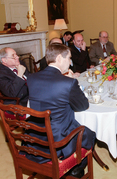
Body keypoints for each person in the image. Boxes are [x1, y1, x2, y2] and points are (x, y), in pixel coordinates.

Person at [24, 43, 96, 178]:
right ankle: (76, 168)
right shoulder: (68, 83)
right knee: (90, 133)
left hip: (35, 136)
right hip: (59, 140)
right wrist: (71, 83)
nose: (70, 62)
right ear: (58, 58)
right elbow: (82, 106)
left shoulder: (32, 78)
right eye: (68, 58)